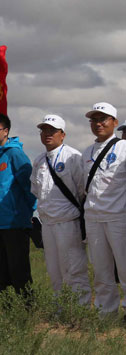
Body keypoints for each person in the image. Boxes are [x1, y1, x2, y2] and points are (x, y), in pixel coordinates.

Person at [29, 115, 89, 305]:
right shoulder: (39, 161)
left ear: (62, 134)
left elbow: (82, 190)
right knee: (54, 271)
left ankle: (80, 310)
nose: (47, 134)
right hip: (48, 224)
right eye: (44, 130)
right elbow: (36, 191)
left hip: (68, 222)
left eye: (52, 130)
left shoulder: (72, 157)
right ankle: (60, 310)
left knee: (73, 269)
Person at [0, 112, 37, 302]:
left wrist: (25, 214)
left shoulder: (15, 154)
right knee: (1, 274)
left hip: (14, 224)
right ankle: (9, 312)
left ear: (5, 131)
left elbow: (30, 187)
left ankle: (29, 311)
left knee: (19, 272)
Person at [80, 103, 126, 315]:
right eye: (94, 120)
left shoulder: (123, 148)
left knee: (125, 269)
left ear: (114, 123)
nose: (98, 124)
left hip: (119, 217)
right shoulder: (87, 152)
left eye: (103, 119)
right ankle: (106, 313)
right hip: (94, 218)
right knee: (101, 271)